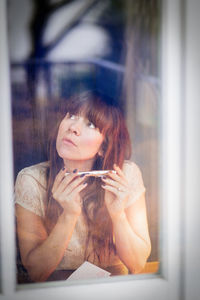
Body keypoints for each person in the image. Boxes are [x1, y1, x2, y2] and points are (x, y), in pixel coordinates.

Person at [15, 90, 151, 282]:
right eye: (71, 116)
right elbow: (37, 272)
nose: (73, 128)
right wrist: (68, 216)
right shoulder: (32, 180)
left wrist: (118, 215)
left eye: (90, 124)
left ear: (104, 147)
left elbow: (137, 264)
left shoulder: (125, 175)